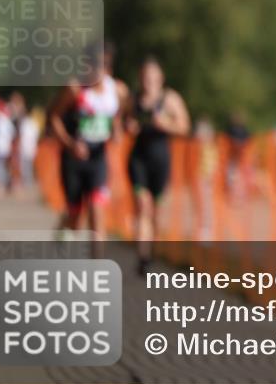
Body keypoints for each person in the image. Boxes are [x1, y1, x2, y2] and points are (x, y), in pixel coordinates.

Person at [48, 47, 126, 253]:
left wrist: (117, 129)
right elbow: (54, 118)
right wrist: (70, 143)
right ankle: (63, 227)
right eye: (94, 65)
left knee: (96, 209)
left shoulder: (117, 90)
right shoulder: (75, 89)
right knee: (75, 216)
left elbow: (118, 114)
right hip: (73, 158)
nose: (99, 70)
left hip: (98, 156)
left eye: (104, 65)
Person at [123, 56, 191, 275]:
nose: (148, 81)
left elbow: (184, 127)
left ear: (160, 78)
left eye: (152, 76)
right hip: (138, 159)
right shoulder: (133, 99)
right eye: (144, 77)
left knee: (156, 212)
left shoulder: (169, 99)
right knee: (142, 205)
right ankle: (142, 257)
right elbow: (120, 122)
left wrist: (166, 124)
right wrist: (127, 127)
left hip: (161, 160)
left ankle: (151, 251)